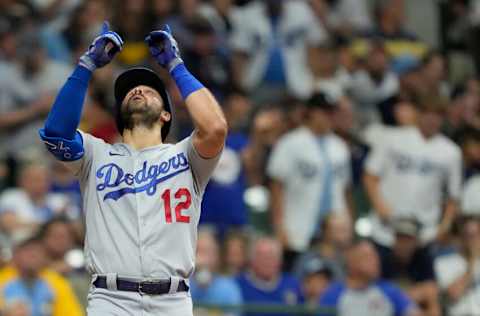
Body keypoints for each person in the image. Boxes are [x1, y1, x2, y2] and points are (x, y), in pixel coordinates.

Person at [38, 22, 227, 316]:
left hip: (172, 300)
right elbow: (56, 133)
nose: (138, 89)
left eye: (151, 90)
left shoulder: (187, 155)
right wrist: (86, 66)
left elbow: (215, 127)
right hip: (110, 300)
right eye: (129, 91)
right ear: (119, 114)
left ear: (166, 114)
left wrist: (176, 66)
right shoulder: (95, 154)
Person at [363, 96, 462, 249]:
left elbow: (453, 197)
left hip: (424, 231)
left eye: (438, 115)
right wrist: (379, 206)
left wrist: (444, 227)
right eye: (428, 114)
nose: (432, 120)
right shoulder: (392, 138)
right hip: (385, 226)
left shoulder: (451, 152)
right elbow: (370, 175)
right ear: (418, 113)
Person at [267, 92, 351, 269]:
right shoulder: (290, 143)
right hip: (298, 226)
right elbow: (276, 187)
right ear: (311, 112)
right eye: (324, 112)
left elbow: (345, 190)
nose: (328, 117)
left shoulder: (340, 147)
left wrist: (347, 223)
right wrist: (280, 227)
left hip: (333, 232)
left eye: (331, 112)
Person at [319, 239, 420, 316]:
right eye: (368, 257)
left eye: (376, 257)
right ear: (352, 262)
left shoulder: (389, 291)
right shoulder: (333, 294)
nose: (376, 262)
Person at [0, 233, 83, 316]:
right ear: (16, 254)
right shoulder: (3, 280)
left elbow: (72, 313)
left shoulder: (56, 281)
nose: (33, 255)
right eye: (27, 250)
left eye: (37, 251)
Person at [376, 218, 440, 316]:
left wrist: (398, 297)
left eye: (408, 239)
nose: (403, 244)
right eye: (400, 239)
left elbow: (431, 290)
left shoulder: (423, 258)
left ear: (416, 241)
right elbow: (380, 295)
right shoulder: (383, 260)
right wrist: (414, 294)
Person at [236, 237, 302, 316]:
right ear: (252, 260)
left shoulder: (292, 283)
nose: (267, 261)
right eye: (262, 256)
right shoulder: (238, 285)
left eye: (272, 256)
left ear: (280, 261)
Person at [434, 214, 480, 316]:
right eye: (469, 235)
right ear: (460, 237)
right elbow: (453, 294)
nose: (473, 240)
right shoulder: (444, 262)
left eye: (476, 235)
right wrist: (473, 261)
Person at [190, 228, 242, 316]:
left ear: (216, 256)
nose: (202, 258)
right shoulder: (182, 285)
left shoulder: (228, 287)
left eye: (207, 252)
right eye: (198, 251)